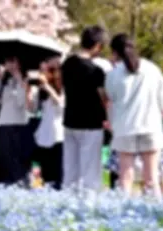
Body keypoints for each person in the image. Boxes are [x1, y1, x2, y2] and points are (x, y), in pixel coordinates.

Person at [105, 33, 163, 199]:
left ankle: (122, 212)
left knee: (125, 177)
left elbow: (110, 100)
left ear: (115, 53)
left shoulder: (113, 75)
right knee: (151, 177)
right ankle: (154, 212)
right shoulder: (152, 69)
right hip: (150, 126)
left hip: (124, 128)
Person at [61, 25, 109, 193]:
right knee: (90, 170)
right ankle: (89, 205)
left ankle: (68, 200)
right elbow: (104, 98)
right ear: (97, 45)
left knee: (70, 169)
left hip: (70, 120)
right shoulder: (95, 70)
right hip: (91, 123)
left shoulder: (67, 64)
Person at [0, 57, 36, 186]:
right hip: (3, 124)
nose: (10, 65)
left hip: (19, 125)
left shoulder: (26, 81)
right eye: (7, 62)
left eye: (13, 62)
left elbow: (21, 103)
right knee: (3, 163)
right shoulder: (4, 81)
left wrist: (19, 82)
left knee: (17, 163)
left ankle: (21, 185)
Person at [34, 58, 65, 190]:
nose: (42, 75)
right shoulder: (41, 91)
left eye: (45, 71)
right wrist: (28, 89)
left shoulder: (63, 87)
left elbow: (62, 105)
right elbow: (32, 108)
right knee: (46, 176)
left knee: (59, 174)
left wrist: (47, 87)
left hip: (59, 135)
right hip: (44, 135)